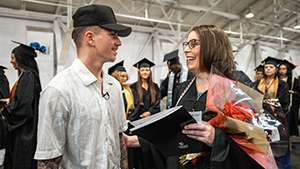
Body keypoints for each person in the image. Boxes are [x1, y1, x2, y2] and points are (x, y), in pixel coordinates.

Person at [33, 4, 132, 169]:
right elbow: (48, 160)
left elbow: (119, 140)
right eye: (112, 35)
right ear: (90, 38)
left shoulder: (113, 86)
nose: (119, 42)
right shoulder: (59, 91)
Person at [168, 25, 264, 169]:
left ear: (212, 47)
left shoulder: (237, 86)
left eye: (193, 44)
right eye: (187, 44)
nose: (186, 49)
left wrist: (216, 139)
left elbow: (257, 141)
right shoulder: (183, 88)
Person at [0, 40, 43, 169]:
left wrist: (6, 109)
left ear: (20, 58)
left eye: (13, 58)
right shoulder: (25, 76)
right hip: (23, 131)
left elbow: (24, 107)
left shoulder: (28, 76)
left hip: (24, 133)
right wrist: (10, 102)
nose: (11, 61)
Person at [250, 56, 290, 168]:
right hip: (261, 118)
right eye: (266, 67)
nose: (268, 69)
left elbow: (284, 102)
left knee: (276, 146)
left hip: (276, 119)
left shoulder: (282, 84)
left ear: (276, 69)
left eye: (271, 67)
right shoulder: (257, 83)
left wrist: (269, 106)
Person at [278, 59, 300, 137]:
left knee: (288, 126)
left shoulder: (294, 80)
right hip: (278, 104)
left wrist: (293, 92)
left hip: (290, 105)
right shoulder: (276, 79)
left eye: (284, 69)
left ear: (288, 70)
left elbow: (298, 92)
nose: (281, 71)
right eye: (280, 69)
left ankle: (289, 144)